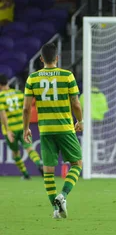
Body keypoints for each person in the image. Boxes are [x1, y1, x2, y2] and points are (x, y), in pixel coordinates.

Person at [23, 43, 83, 219]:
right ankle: (62, 195)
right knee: (77, 164)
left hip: (45, 130)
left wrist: (26, 128)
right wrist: (80, 121)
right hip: (65, 128)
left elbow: (26, 109)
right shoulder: (67, 76)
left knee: (48, 171)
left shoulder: (32, 78)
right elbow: (76, 103)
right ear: (57, 58)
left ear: (41, 59)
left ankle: (56, 210)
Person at [0, 74, 43, 179]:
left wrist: (8, 130)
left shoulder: (1, 97)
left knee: (15, 153)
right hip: (22, 126)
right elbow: (26, 109)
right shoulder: (19, 94)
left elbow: (3, 115)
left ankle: (25, 174)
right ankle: (39, 164)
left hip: (11, 129)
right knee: (29, 148)